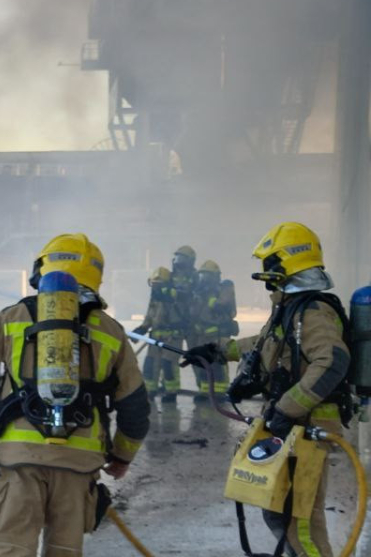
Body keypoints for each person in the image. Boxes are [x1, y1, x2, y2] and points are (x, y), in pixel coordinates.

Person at [0, 233, 150, 556]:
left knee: (10, 550)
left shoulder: (14, 317)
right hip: (79, 465)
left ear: (41, 270)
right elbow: (135, 408)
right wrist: (121, 458)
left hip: (19, 460)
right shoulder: (111, 331)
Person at [183, 222, 351, 557]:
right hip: (295, 426)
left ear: (287, 262)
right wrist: (216, 350)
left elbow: (333, 361)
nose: (266, 272)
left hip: (308, 427)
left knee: (299, 522)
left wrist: (287, 408)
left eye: (271, 263)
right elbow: (264, 345)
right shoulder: (292, 308)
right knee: (279, 512)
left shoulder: (312, 311)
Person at [186, 259, 237, 400]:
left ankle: (220, 392)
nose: (204, 279)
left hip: (217, 334)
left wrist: (210, 298)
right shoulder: (199, 292)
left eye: (207, 276)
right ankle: (205, 391)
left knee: (217, 364)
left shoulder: (223, 289)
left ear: (215, 276)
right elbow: (193, 312)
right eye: (202, 275)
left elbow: (223, 305)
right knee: (202, 363)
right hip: (201, 335)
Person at [136, 266, 186, 402]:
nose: (155, 287)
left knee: (168, 364)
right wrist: (142, 328)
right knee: (150, 364)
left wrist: (167, 296)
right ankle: (150, 390)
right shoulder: (155, 297)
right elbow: (150, 315)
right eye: (154, 284)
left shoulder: (176, 295)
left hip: (172, 336)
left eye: (158, 285)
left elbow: (177, 301)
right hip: (156, 336)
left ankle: (171, 392)